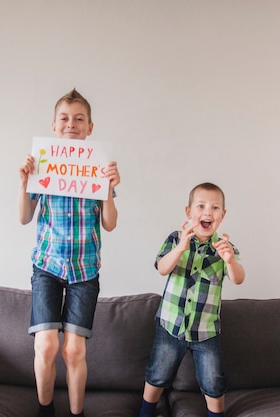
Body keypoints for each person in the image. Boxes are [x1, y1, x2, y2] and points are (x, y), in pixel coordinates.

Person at [18, 88, 120, 417]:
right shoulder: (42, 165)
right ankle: (44, 410)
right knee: (46, 344)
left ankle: (78, 414)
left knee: (74, 350)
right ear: (54, 124)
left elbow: (109, 224)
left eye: (79, 119)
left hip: (85, 270)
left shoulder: (99, 167)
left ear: (90, 127)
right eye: (64, 118)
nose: (71, 124)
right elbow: (23, 217)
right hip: (47, 266)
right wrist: (24, 184)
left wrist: (108, 190)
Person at [138, 182, 245, 417]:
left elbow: (238, 278)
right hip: (170, 325)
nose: (208, 212)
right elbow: (162, 268)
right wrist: (180, 249)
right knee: (157, 374)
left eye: (215, 208)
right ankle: (145, 413)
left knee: (213, 381)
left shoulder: (224, 248)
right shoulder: (176, 238)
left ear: (222, 216)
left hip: (206, 331)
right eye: (201, 206)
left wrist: (229, 260)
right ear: (189, 212)